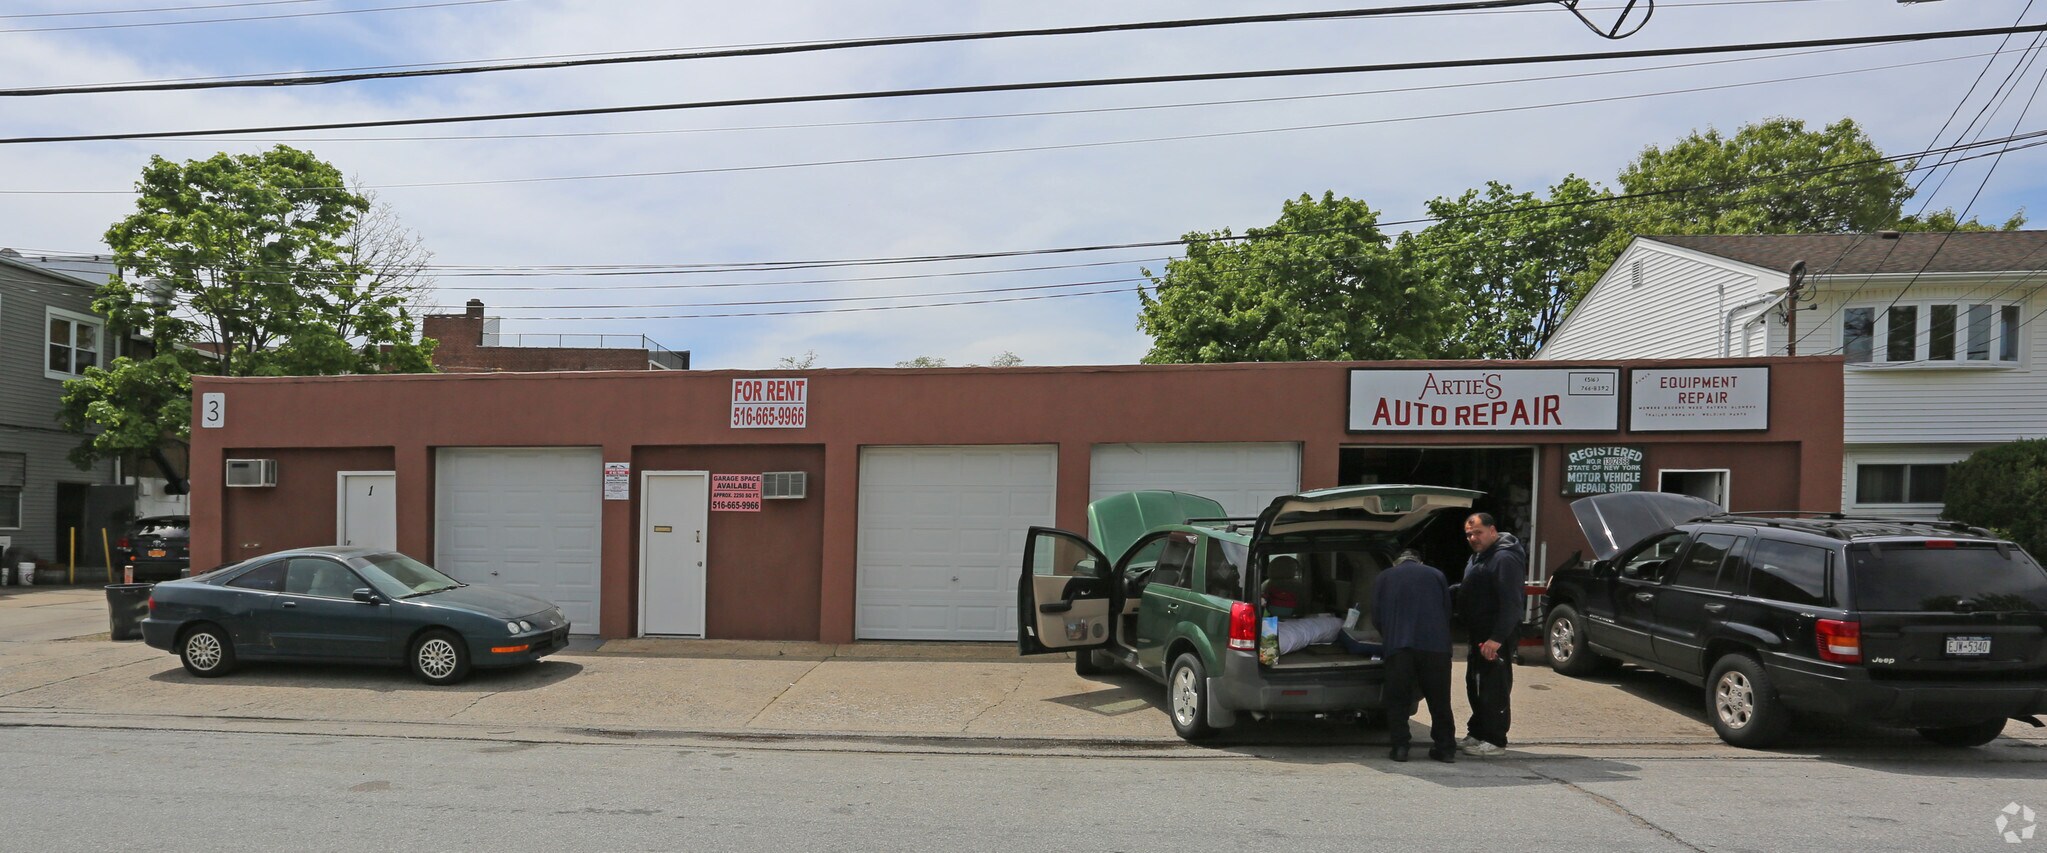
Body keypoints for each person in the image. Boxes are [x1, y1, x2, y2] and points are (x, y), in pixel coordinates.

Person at [1372, 548, 1457, 763]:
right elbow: (1447, 611)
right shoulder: (1437, 575)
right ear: (1419, 561)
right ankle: (1445, 748)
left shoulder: (1384, 577)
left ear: (1396, 562)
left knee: (1398, 700)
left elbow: (1376, 615)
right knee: (1439, 701)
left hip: (1399, 647)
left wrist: (1389, 636)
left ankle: (1400, 748)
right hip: (1436, 648)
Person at [1453, 512, 1527, 757]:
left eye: (1478, 532)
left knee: (1494, 685)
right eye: (1469, 534)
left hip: (1495, 635)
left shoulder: (1504, 558)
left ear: (1493, 531)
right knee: (1475, 684)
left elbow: (1512, 604)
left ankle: (1495, 739)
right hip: (1477, 632)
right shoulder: (1478, 557)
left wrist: (1497, 639)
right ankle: (1478, 732)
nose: (1473, 537)